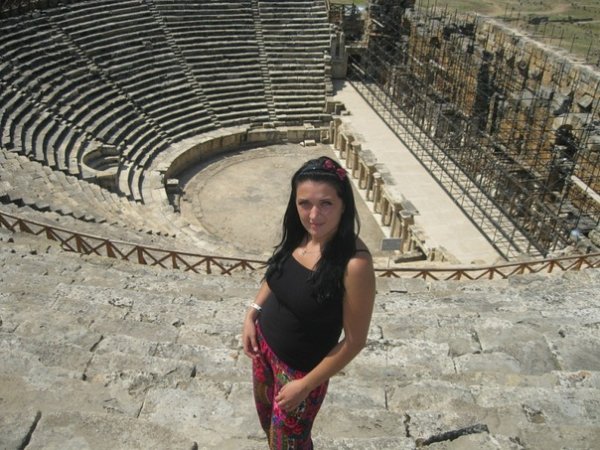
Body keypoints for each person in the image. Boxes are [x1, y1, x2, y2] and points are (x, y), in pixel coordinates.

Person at [242, 156, 376, 449]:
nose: (314, 215)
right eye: (304, 203)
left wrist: (305, 385)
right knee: (270, 431)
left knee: (289, 444)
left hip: (301, 373)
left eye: (326, 203)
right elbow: (277, 273)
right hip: (263, 351)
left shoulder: (354, 264)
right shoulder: (300, 234)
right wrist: (252, 312)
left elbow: (355, 341)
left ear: (344, 205)